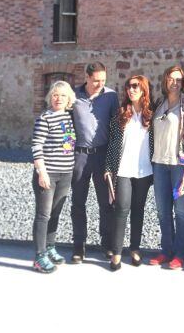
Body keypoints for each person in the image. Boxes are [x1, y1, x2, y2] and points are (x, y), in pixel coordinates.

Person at [148, 65, 184, 270]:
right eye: (172, 79)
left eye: (179, 80)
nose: (175, 83)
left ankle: (180, 254)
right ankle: (166, 250)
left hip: (180, 165)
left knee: (181, 211)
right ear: (165, 80)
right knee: (163, 211)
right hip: (159, 164)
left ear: (183, 83)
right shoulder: (159, 104)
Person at [69, 61, 120, 263]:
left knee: (106, 203)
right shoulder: (73, 96)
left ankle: (106, 244)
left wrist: (113, 159)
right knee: (78, 203)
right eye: (96, 80)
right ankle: (79, 247)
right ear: (87, 77)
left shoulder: (111, 96)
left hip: (102, 155)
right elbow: (66, 124)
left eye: (103, 80)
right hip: (79, 156)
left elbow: (116, 127)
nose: (100, 84)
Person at [104, 75, 154, 271]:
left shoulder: (151, 115)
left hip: (144, 171)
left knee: (138, 211)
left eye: (135, 86)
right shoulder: (120, 114)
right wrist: (108, 168)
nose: (130, 90)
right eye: (128, 86)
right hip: (123, 169)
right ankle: (116, 252)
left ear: (143, 89)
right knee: (121, 209)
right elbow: (112, 143)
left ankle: (135, 248)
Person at [31, 80, 77, 273]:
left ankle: (50, 247)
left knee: (55, 213)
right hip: (48, 174)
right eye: (55, 95)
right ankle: (39, 256)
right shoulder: (45, 118)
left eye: (63, 95)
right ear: (51, 97)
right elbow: (36, 146)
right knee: (43, 215)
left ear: (69, 99)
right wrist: (41, 172)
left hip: (66, 173)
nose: (59, 98)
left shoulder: (68, 117)